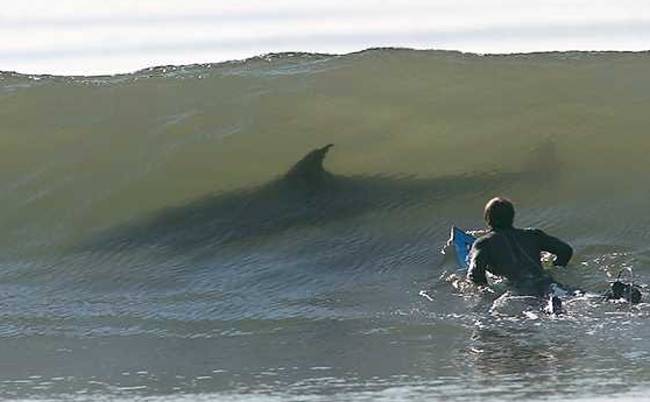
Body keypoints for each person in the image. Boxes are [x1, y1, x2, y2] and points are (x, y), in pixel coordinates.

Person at [467, 197, 573, 299]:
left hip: (521, 290)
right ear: (512, 217)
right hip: (546, 281)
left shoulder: (484, 243)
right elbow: (566, 250)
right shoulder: (533, 235)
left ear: (487, 219)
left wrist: (490, 293)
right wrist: (552, 269)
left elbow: (475, 275)